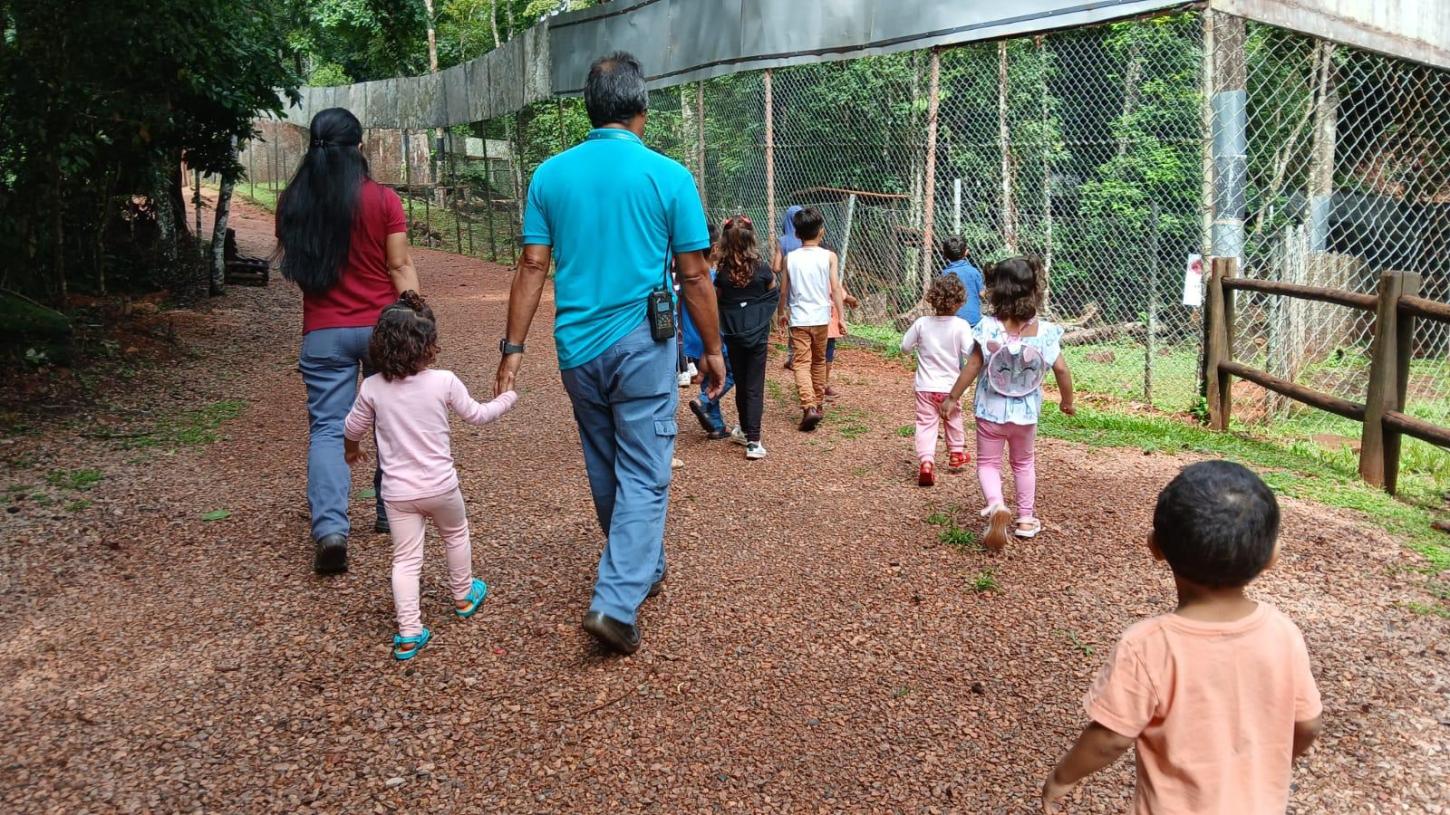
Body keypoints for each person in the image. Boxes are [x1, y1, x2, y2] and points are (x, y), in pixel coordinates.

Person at [495, 52, 724, 656]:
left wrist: (513, 348)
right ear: (641, 108)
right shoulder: (668, 176)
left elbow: (533, 265)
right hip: (643, 348)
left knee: (606, 464)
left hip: (576, 350)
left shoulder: (549, 176)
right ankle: (615, 604)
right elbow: (696, 276)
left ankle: (640, 567)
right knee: (647, 473)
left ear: (589, 109)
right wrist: (714, 350)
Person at [1042, 460, 1323, 813]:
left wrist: (1063, 777)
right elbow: (1308, 722)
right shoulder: (1283, 633)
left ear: (1155, 547)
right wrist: (1276, 760)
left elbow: (1112, 737)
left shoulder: (1148, 646)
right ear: (1271, 558)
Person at [275, 107, 420, 574]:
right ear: (359, 148)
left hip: (323, 332)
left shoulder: (295, 201)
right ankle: (386, 512)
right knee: (389, 421)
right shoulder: (382, 200)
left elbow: (300, 270)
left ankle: (332, 530)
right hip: (382, 329)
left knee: (327, 429)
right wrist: (417, 310)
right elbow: (399, 267)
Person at [341, 293, 516, 660]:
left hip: (397, 493)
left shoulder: (372, 387)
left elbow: (352, 426)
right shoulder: (444, 381)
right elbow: (478, 416)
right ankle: (464, 595)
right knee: (455, 534)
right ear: (428, 344)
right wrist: (507, 398)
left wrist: (351, 450)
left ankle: (409, 633)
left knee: (405, 559)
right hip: (441, 487)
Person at [939, 256, 1074, 551]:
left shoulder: (987, 328)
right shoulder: (1046, 331)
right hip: (1025, 414)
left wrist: (952, 397)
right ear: (1033, 290)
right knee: (1024, 463)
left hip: (990, 410)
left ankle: (997, 505)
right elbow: (1061, 369)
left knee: (988, 463)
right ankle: (1025, 520)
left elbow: (973, 365)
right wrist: (1067, 401)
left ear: (996, 290)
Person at [714, 214, 779, 460]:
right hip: (757, 335)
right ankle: (754, 441)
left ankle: (745, 430)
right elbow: (772, 292)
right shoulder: (762, 269)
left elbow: (717, 299)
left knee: (742, 382)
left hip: (734, 334)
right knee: (754, 385)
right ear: (752, 239)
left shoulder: (722, 273)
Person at [901, 275, 974, 487]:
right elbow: (970, 353)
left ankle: (926, 461)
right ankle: (956, 453)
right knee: (953, 418)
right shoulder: (961, 326)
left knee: (925, 424)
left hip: (925, 387)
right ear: (960, 302)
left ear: (932, 299)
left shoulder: (921, 324)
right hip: (950, 388)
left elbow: (905, 347)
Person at [777, 207, 845, 432]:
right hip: (822, 317)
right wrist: (841, 317)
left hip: (799, 319)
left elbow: (784, 291)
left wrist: (781, 313)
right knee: (818, 361)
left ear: (796, 234)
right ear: (821, 232)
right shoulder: (829, 257)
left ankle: (808, 406)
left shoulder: (790, 258)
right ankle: (818, 404)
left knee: (801, 363)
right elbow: (835, 288)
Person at [683, 223, 735, 440]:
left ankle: (716, 425)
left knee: (710, 379)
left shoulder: (685, 277)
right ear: (715, 248)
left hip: (691, 340)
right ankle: (704, 401)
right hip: (713, 339)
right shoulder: (710, 278)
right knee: (729, 374)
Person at [941, 237, 984, 327]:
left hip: (952, 321)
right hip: (972, 320)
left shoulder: (944, 274)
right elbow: (982, 293)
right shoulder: (973, 271)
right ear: (966, 252)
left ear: (945, 254)